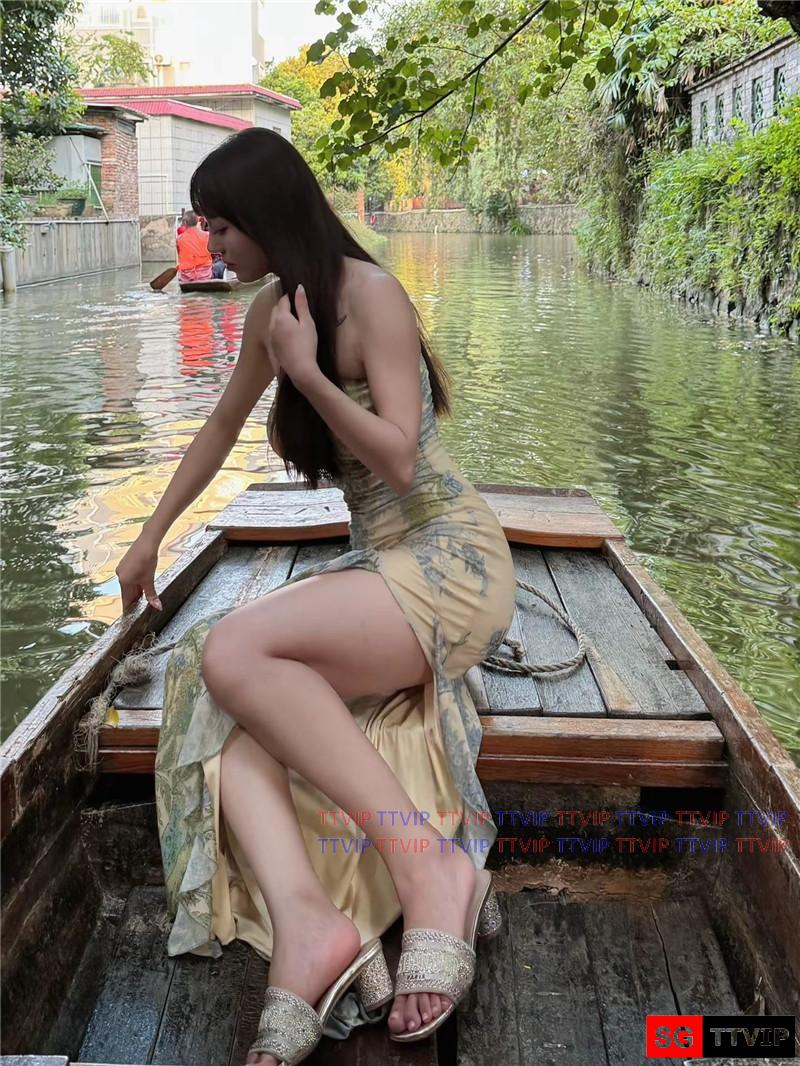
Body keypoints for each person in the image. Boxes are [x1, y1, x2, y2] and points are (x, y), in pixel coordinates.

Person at [115, 126, 515, 1066]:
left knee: (230, 650)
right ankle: (308, 927)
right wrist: (149, 534)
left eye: (220, 226)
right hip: (379, 567)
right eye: (206, 227)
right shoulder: (272, 309)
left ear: (267, 216)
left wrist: (305, 375)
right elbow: (220, 425)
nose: (211, 244)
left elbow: (401, 459)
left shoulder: (373, 297)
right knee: (220, 697)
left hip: (451, 561)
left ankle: (430, 869)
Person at [176, 209, 213, 282]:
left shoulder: (179, 239)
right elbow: (213, 250)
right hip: (205, 276)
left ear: (185, 223)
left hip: (187, 277)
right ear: (197, 221)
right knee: (220, 265)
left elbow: (179, 254)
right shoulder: (207, 235)